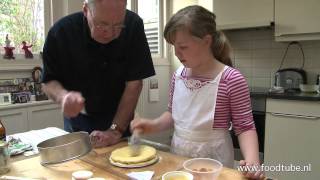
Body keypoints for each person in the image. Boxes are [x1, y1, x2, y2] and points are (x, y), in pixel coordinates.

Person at [131, 5, 263, 179]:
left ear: (206, 41)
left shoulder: (231, 79)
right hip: (179, 155)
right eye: (173, 47)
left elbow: (245, 127)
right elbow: (173, 115)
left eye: (183, 47)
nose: (177, 53)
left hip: (215, 161)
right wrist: (152, 125)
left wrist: (253, 161)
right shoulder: (178, 76)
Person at [41, 0, 155, 148]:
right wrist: (63, 97)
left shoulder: (133, 25)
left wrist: (115, 130)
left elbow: (134, 84)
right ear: (86, 10)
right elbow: (48, 81)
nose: (111, 33)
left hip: (120, 118)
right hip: (78, 120)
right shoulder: (61, 32)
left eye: (118, 25)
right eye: (102, 24)